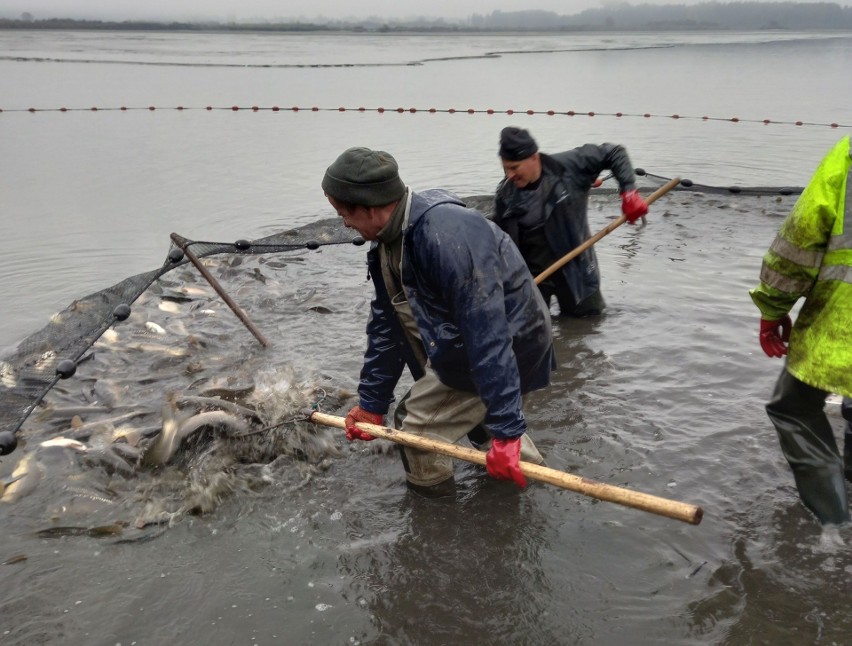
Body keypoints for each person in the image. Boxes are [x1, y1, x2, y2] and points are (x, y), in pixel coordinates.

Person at [322, 146, 556, 495]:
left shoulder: (445, 235)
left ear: (370, 208)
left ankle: (435, 520)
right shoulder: (386, 244)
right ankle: (529, 481)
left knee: (415, 430)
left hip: (511, 341)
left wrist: (508, 429)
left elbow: (488, 334)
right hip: (464, 346)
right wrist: (371, 403)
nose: (345, 224)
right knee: (479, 421)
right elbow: (387, 325)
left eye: (344, 214)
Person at [749, 135, 852, 526]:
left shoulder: (847, 156)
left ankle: (834, 524)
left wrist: (772, 308)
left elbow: (800, 239)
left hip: (842, 323)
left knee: (792, 408)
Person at [492, 127, 649, 317]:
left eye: (514, 168)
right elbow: (501, 240)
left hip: (577, 270)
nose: (509, 175)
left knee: (588, 326)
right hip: (534, 277)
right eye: (505, 168)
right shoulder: (505, 195)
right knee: (535, 335)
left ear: (534, 157)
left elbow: (614, 152)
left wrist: (629, 192)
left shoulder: (570, 166)